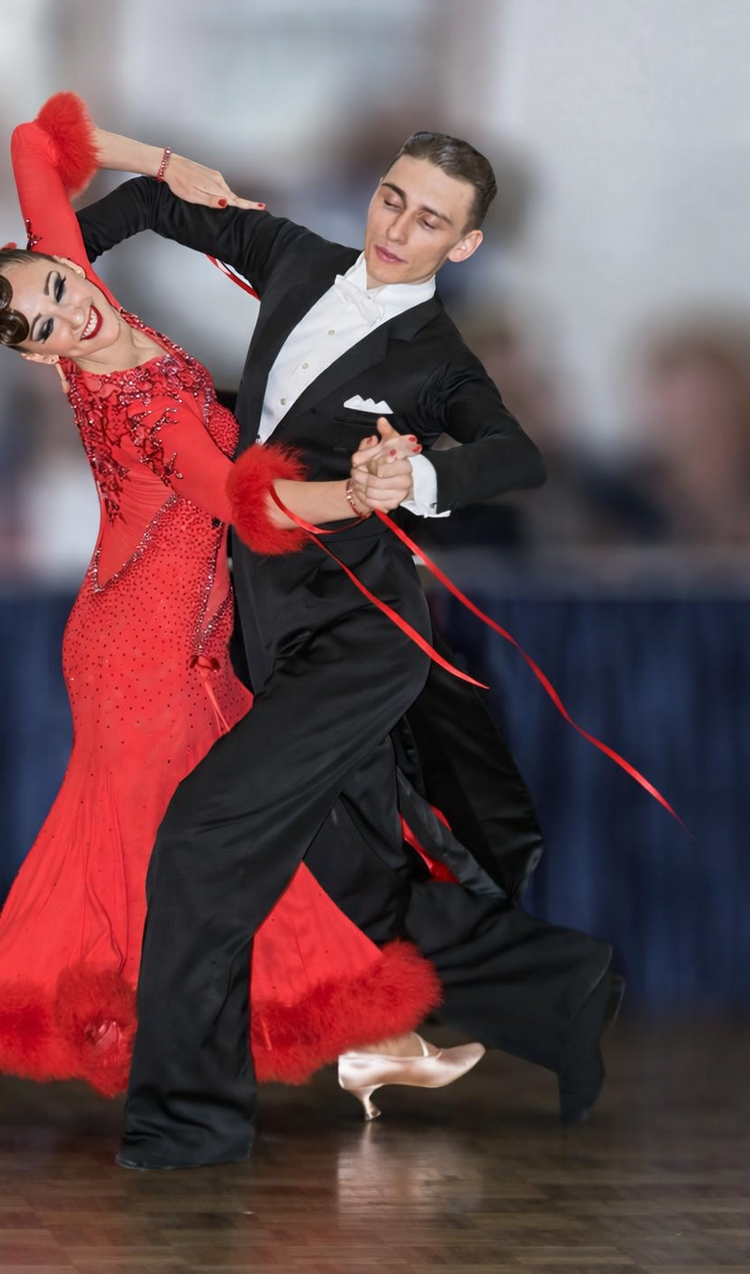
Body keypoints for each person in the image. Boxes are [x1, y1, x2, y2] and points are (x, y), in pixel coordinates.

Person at [0, 94, 485, 1154]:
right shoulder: (140, 405)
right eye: (50, 321)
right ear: (33, 353)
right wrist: (370, 488)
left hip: (164, 647)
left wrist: (171, 166)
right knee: (128, 870)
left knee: (229, 847)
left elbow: (33, 141)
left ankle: (358, 1037)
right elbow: (254, 502)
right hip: (141, 660)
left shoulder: (85, 300)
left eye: (62, 283)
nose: (75, 309)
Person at [75, 119, 621, 1170]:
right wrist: (60, 283)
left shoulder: (434, 360)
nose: (396, 229)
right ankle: (560, 985)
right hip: (261, 626)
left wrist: (411, 481)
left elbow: (514, 457)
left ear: (461, 246)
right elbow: (151, 207)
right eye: (389, 199)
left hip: (358, 639)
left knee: (201, 835)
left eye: (428, 221)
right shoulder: (297, 257)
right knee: (352, 878)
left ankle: (188, 1124)